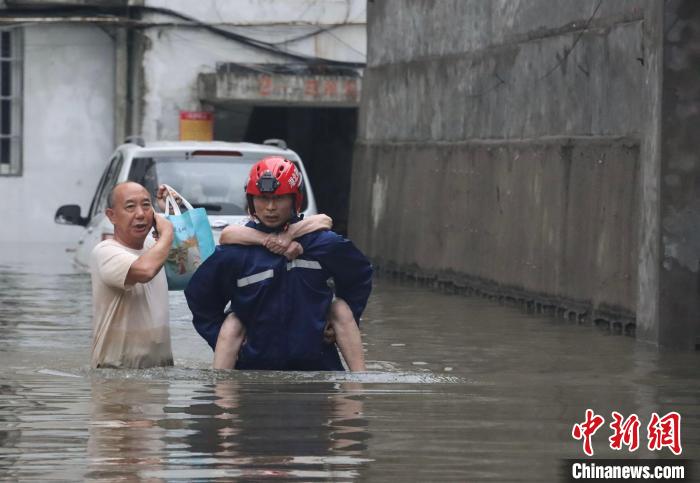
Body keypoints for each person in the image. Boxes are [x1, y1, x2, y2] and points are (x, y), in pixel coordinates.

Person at [185, 156, 372, 371]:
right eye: (262, 198)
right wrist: (224, 338)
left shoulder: (323, 245)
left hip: (319, 369)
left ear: (295, 200)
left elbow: (359, 277)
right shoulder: (235, 254)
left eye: (279, 198)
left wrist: (340, 324)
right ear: (251, 200)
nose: (270, 208)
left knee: (340, 308)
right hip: (254, 372)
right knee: (232, 322)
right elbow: (201, 299)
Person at [90, 181, 175, 368]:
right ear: (111, 216)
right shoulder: (105, 252)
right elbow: (145, 271)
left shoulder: (153, 248)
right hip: (117, 372)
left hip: (160, 371)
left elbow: (192, 263)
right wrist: (168, 232)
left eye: (146, 205)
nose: (140, 214)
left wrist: (173, 212)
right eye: (130, 207)